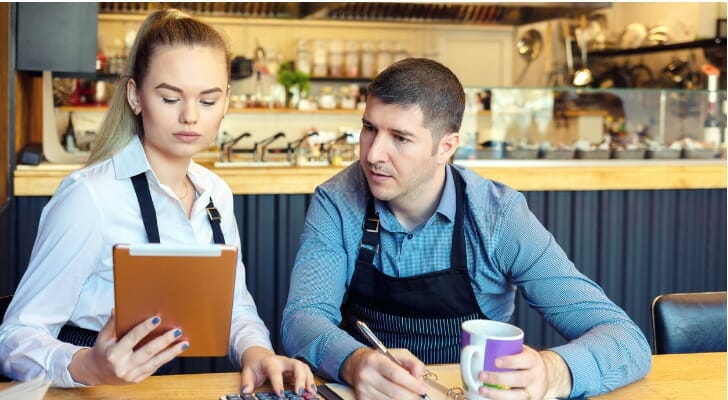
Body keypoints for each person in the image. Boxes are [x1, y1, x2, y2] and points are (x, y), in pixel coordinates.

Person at [281, 58, 651, 400]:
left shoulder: (498, 216)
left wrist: (553, 372)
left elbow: (626, 339)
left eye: (400, 137)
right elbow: (303, 318)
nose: (374, 153)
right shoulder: (337, 200)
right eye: (368, 128)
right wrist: (353, 361)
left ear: (446, 147)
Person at [0, 9, 315, 395]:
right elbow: (14, 335)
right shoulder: (90, 196)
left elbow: (234, 308)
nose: (190, 116)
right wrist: (90, 365)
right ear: (135, 95)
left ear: (227, 100)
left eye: (208, 100)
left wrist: (257, 351)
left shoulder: (216, 194)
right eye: (170, 97)